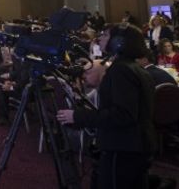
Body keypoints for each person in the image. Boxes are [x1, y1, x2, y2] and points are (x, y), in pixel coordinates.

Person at [56, 24, 156, 189]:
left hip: (123, 148)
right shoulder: (135, 68)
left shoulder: (120, 70)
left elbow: (122, 115)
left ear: (118, 42)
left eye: (105, 35)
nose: (100, 38)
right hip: (135, 145)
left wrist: (78, 116)